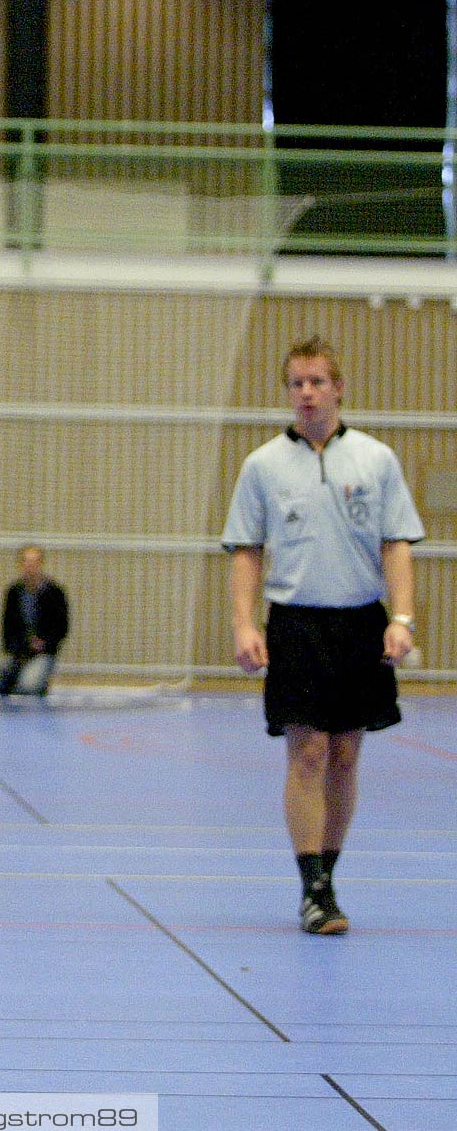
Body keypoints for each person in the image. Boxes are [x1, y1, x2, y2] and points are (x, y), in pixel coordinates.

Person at [222, 335, 423, 937]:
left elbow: (396, 544)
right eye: (296, 384)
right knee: (307, 751)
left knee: (344, 755)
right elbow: (246, 551)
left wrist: (402, 619)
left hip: (359, 620)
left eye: (316, 382)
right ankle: (314, 887)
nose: (306, 394)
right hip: (297, 623)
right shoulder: (262, 466)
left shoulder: (375, 460)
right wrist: (243, 623)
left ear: (338, 388)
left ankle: (329, 872)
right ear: (288, 392)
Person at [0, 544, 69, 698]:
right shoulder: (13, 592)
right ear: (20, 564)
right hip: (17, 653)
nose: (30, 566)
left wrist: (44, 644)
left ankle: (35, 679)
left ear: (41, 564)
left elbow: (62, 627)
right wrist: (15, 649)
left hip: (43, 653)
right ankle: (15, 677)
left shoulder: (55, 592)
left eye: (34, 562)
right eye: (27, 562)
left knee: (28, 688)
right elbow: (7, 626)